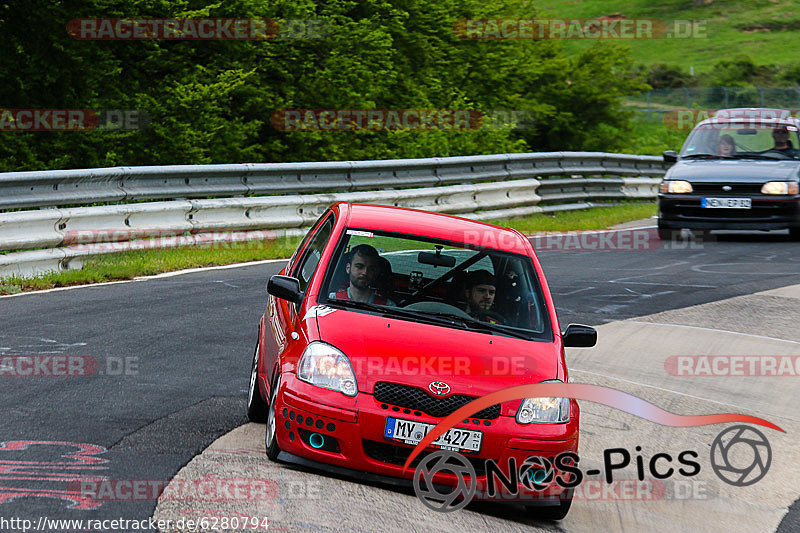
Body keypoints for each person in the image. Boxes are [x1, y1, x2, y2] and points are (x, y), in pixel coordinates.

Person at [329, 244, 396, 305]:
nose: (365, 272)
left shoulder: (388, 306)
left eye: (371, 269)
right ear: (348, 268)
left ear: (376, 272)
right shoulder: (332, 299)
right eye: (359, 266)